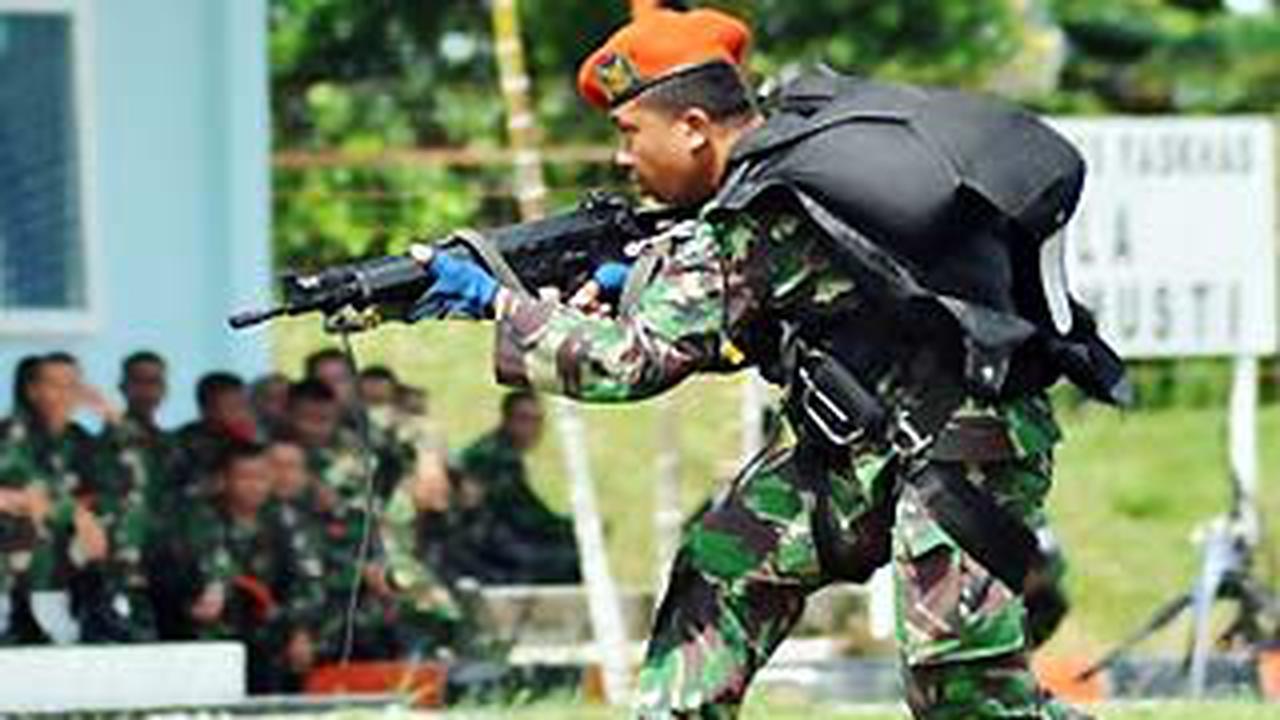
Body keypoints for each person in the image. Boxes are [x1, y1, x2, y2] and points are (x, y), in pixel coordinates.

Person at [394, 7, 1129, 718]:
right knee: (725, 566)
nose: (621, 157)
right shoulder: (784, 175)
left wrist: (496, 302)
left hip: (964, 449)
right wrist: (639, 283)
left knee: (963, 695)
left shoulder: (758, 211)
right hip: (866, 442)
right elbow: (760, 322)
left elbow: (629, 363)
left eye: (628, 132)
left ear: (692, 127)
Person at [169, 441, 323, 692]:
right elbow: (201, 572)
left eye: (261, 477)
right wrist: (210, 591)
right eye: (244, 477)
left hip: (272, 639)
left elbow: (307, 581)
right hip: (213, 639)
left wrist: (300, 631)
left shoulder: (285, 520)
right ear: (223, 480)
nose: (254, 486)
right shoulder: (201, 519)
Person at [453, 391, 580, 585]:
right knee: (568, 560)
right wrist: (569, 528)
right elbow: (525, 513)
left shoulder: (500, 452)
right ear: (508, 420)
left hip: (495, 540)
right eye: (525, 420)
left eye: (538, 421)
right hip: (485, 549)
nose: (534, 429)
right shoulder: (495, 457)